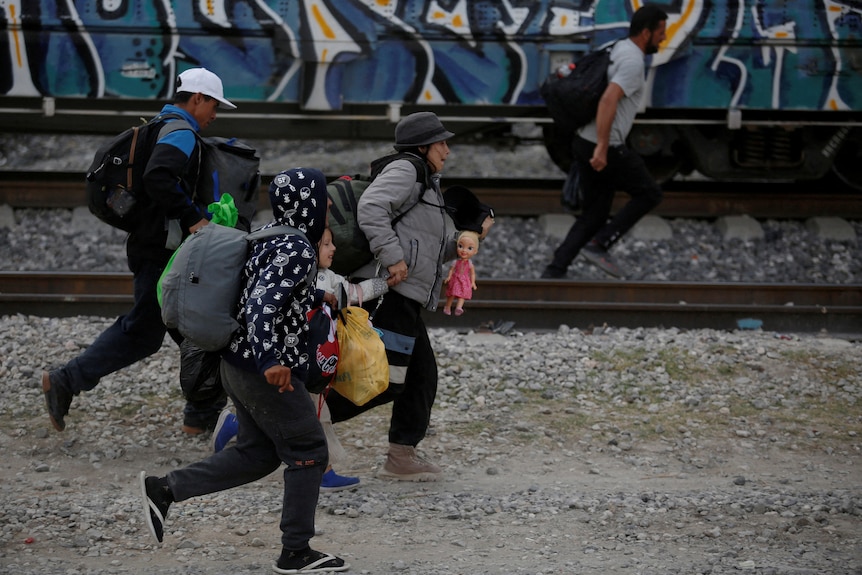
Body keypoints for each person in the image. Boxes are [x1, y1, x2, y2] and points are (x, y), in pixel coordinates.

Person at [140, 167, 349, 574]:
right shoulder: (299, 248)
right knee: (308, 451)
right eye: (323, 201)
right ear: (307, 203)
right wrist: (271, 360)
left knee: (256, 455)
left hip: (236, 364)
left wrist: (319, 293)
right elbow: (260, 304)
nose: (327, 209)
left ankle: (164, 489)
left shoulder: (272, 234)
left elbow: (265, 286)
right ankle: (296, 552)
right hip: (263, 369)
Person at [41, 68, 237, 435]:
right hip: (162, 251)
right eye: (213, 105)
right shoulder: (181, 133)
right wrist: (193, 218)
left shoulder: (163, 124)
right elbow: (158, 176)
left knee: (181, 331)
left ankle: (202, 415)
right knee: (167, 330)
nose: (215, 114)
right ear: (197, 99)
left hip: (153, 245)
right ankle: (67, 380)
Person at [324, 111, 494, 481]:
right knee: (382, 381)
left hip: (408, 296)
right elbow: (371, 209)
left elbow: (423, 246)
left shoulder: (426, 182)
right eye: (442, 143)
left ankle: (401, 457)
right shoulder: (407, 171)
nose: (447, 150)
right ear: (423, 146)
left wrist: (461, 245)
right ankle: (274, 425)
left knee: (420, 377)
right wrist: (393, 258)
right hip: (392, 294)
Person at [211, 226, 389, 492]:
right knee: (316, 417)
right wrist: (386, 282)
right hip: (303, 364)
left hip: (297, 361)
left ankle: (236, 424)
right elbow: (354, 293)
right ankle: (323, 473)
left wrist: (386, 282)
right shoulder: (317, 279)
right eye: (327, 244)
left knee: (295, 418)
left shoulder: (313, 276)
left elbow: (352, 292)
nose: (333, 249)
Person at [541, 5, 667, 279]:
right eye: (661, 32)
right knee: (649, 194)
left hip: (584, 140)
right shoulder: (633, 62)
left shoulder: (618, 46)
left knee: (594, 214)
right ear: (646, 33)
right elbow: (609, 99)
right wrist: (602, 146)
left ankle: (554, 270)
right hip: (605, 145)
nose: (664, 38)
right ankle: (600, 243)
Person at [443, 230, 479, 316]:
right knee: (452, 293)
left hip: (465, 279)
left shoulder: (470, 264)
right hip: (455, 278)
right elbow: (451, 270)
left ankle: (459, 307)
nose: (464, 250)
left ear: (475, 251)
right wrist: (449, 277)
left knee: (462, 294)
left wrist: (473, 282)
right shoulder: (455, 262)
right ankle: (447, 307)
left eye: (469, 248)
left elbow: (472, 273)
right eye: (460, 246)